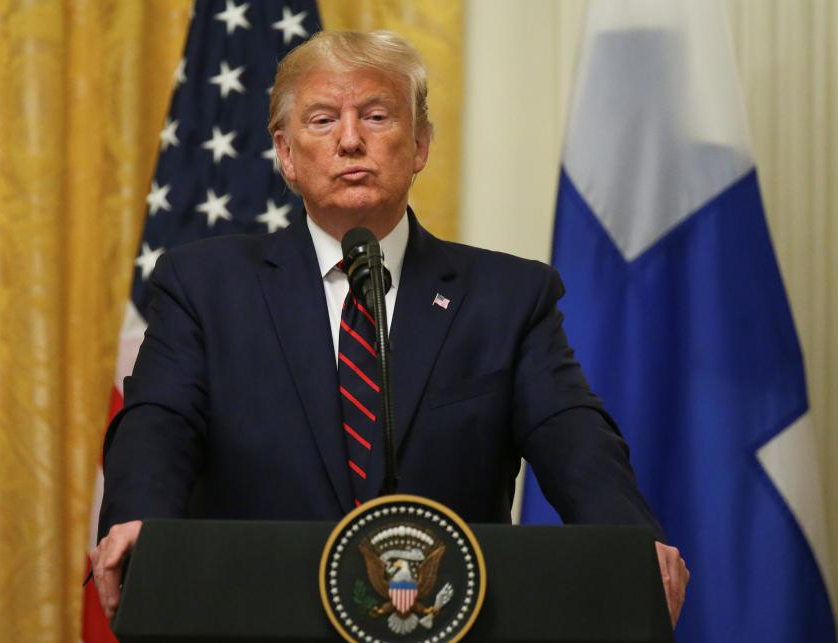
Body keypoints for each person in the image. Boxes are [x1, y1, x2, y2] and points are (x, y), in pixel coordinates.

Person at [92, 29, 689, 626]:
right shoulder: (204, 286)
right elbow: (158, 424)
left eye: (376, 116)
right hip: (255, 613)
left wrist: (629, 540)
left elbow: (572, 435)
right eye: (323, 120)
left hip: (449, 621)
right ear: (287, 153)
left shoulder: (507, 298)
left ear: (420, 143)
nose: (350, 140)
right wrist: (138, 517)